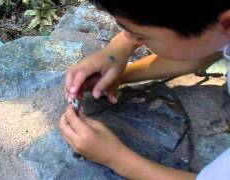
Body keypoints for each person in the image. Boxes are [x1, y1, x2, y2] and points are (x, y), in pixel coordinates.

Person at [58, 1, 230, 179]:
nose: (132, 38)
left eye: (140, 37)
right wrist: (119, 52)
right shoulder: (218, 29)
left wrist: (116, 157)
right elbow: (204, 50)